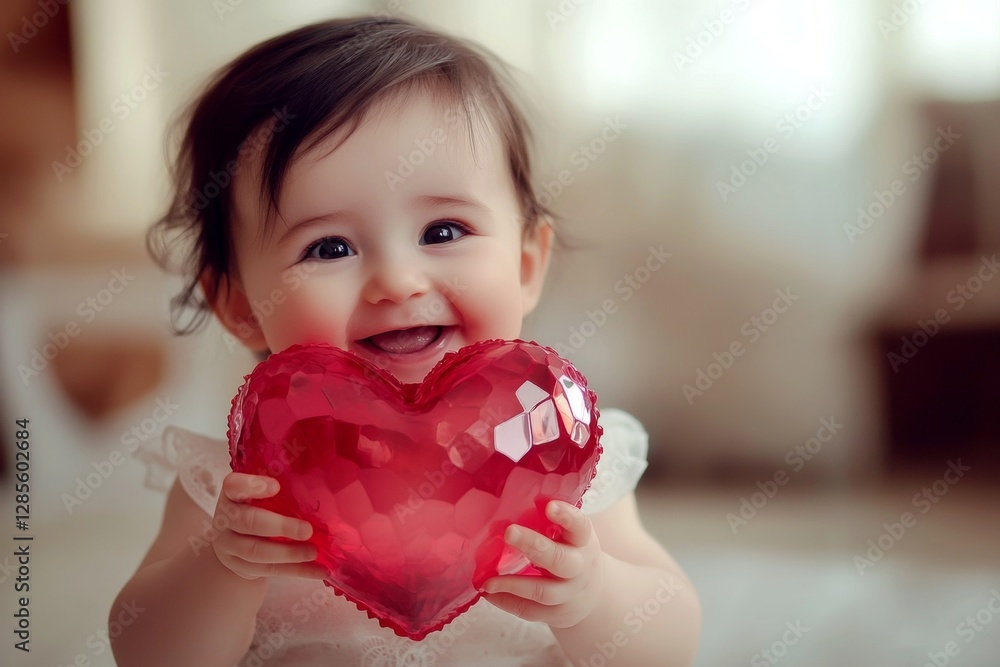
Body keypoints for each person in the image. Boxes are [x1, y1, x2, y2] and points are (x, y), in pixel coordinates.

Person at [111, 16, 700, 667]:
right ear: (241, 306)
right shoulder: (241, 491)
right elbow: (146, 650)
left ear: (528, 264)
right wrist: (220, 566)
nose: (396, 280)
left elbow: (670, 643)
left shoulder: (563, 461)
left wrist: (594, 595)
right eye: (329, 246)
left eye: (444, 231)